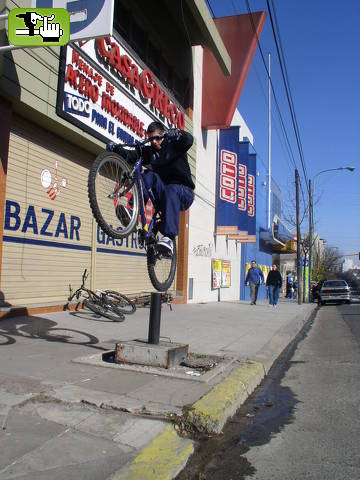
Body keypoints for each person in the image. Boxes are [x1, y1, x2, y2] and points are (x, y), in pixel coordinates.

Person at [109, 121, 195, 256]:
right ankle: (133, 212)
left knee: (171, 188)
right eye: (151, 139)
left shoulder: (175, 144)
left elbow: (189, 140)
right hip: (165, 193)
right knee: (147, 174)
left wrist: (177, 133)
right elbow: (130, 155)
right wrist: (115, 148)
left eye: (157, 138)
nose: (154, 142)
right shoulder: (150, 152)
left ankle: (169, 238)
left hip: (184, 192)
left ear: (164, 134)